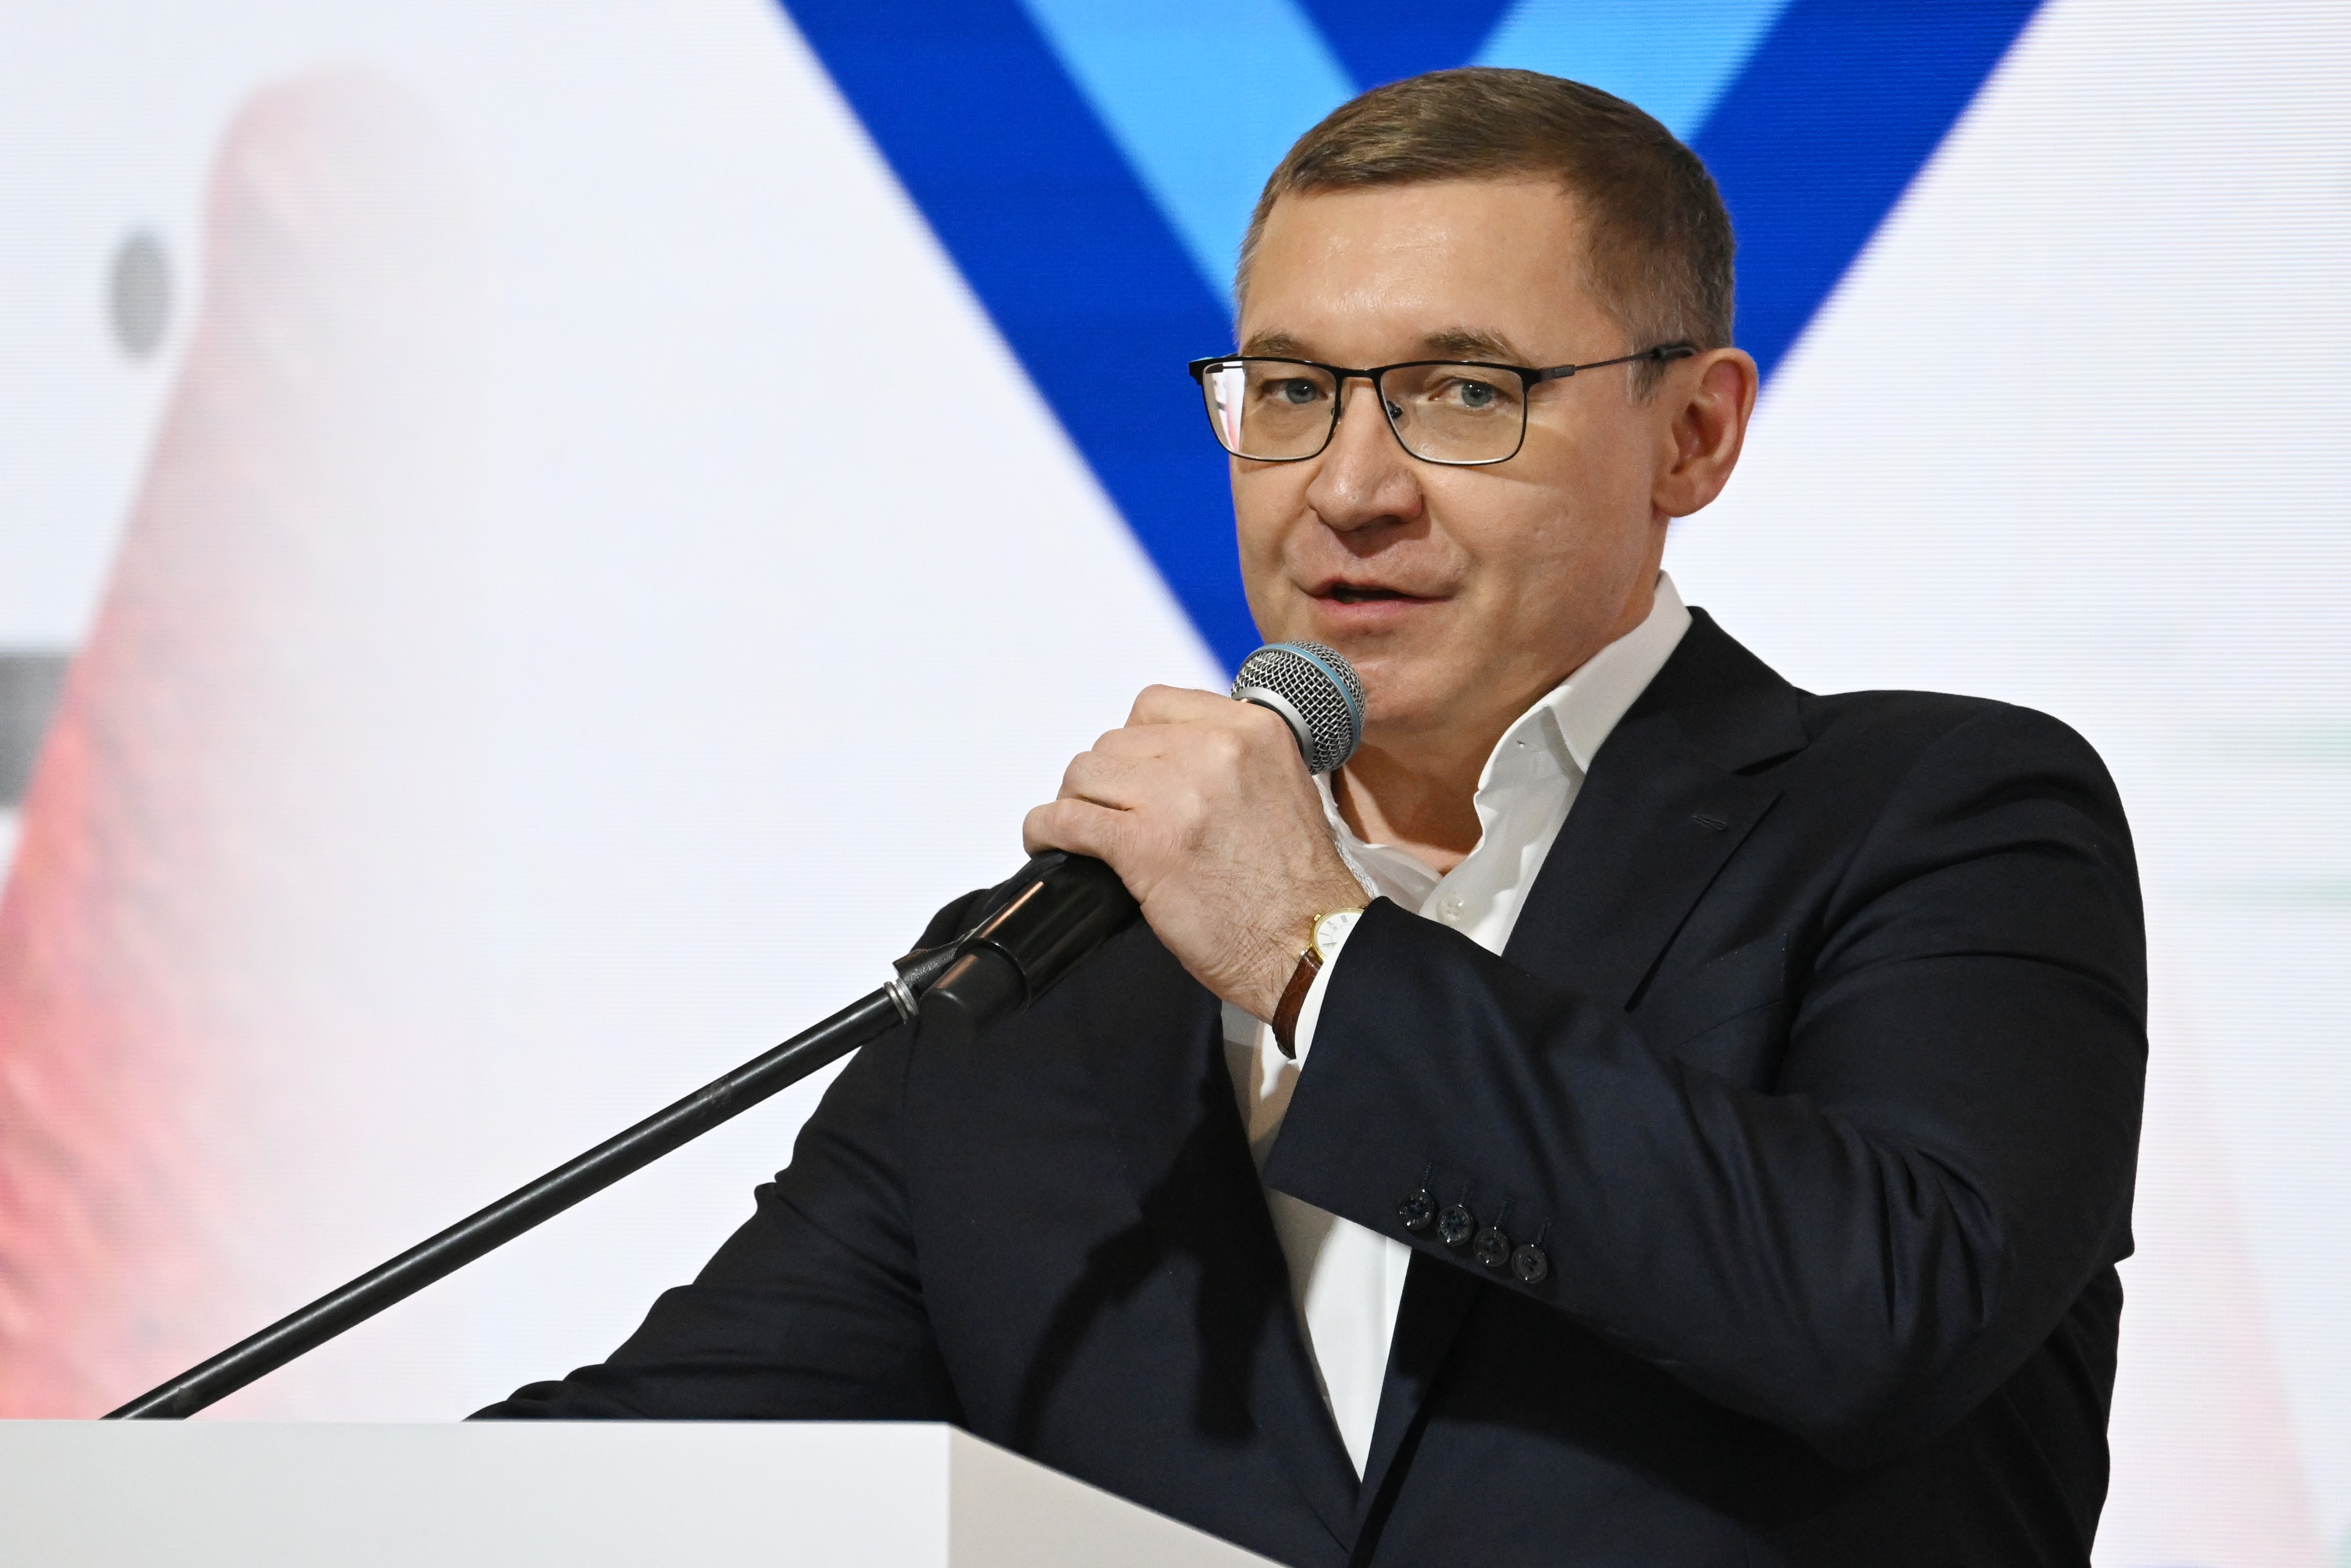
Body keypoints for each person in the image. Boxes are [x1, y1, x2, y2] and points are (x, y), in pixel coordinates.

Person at [480, 69, 2144, 1568]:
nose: (1346, 488)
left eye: (1463, 391)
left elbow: (1888, 1308)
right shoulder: (1040, 982)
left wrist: (1311, 956)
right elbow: (664, 1463)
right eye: (1288, 392)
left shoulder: (1942, 817)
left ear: (1691, 435)